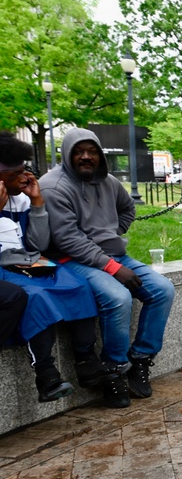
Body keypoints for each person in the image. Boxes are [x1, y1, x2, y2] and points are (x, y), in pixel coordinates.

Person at [39, 128, 176, 407]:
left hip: (112, 255)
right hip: (71, 259)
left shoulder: (110, 181)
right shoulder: (52, 186)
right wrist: (112, 267)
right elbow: (67, 239)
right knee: (117, 298)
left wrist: (113, 232)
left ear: (100, 154)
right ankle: (114, 370)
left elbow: (128, 209)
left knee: (163, 289)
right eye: (78, 151)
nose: (86, 156)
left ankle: (140, 359)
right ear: (67, 154)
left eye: (92, 151)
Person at [0, 133, 105, 402]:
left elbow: (38, 244)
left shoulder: (21, 198)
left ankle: (86, 361)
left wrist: (36, 204)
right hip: (3, 269)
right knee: (36, 297)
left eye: (25, 171)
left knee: (78, 285)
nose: (24, 178)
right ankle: (46, 376)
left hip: (28, 260)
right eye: (17, 174)